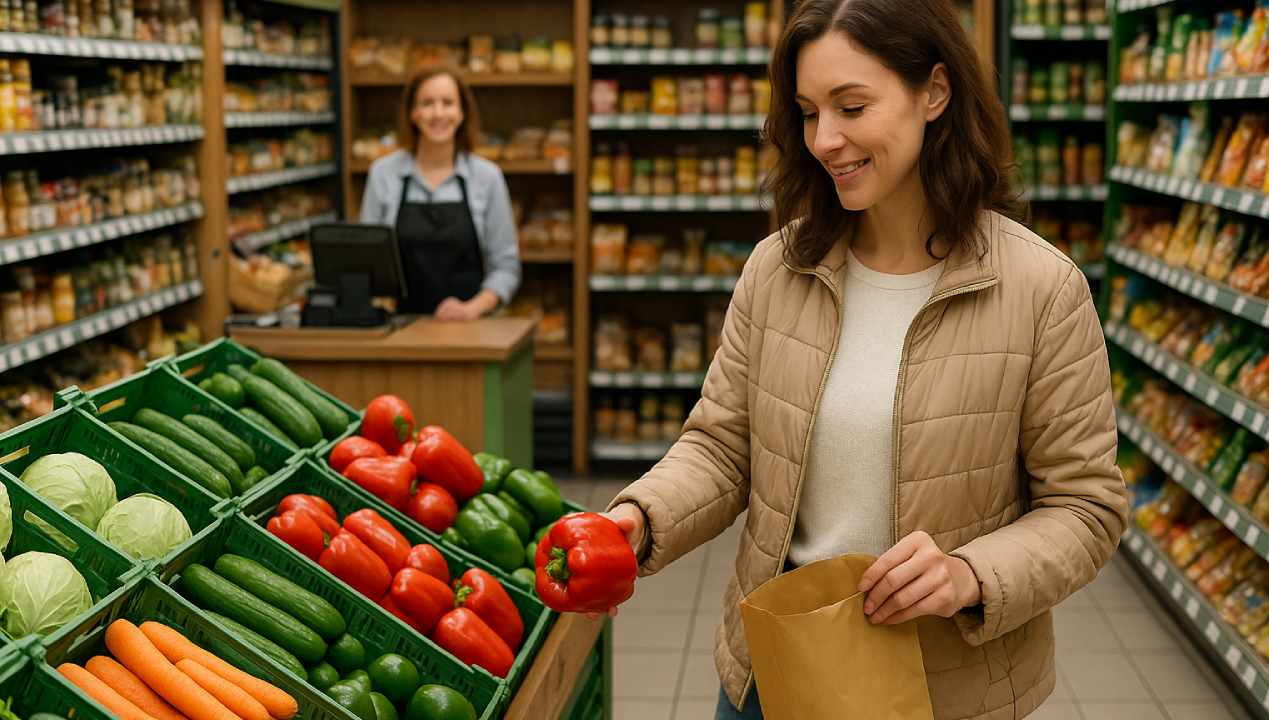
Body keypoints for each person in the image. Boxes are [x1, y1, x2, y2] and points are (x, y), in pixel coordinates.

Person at [596, 0, 1128, 718]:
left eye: (851, 106)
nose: (825, 139)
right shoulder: (777, 268)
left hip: (945, 686)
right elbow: (723, 448)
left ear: (934, 93)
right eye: (809, 112)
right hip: (776, 667)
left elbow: (1085, 508)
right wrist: (642, 517)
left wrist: (969, 574)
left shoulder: (1042, 289)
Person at [359, 66, 521, 321]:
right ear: (412, 113)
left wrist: (471, 309)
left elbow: (506, 267)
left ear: (462, 112)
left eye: (448, 103)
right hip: (400, 329)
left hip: (471, 330)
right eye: (427, 103)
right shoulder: (383, 174)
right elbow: (366, 262)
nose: (438, 113)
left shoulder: (487, 178)